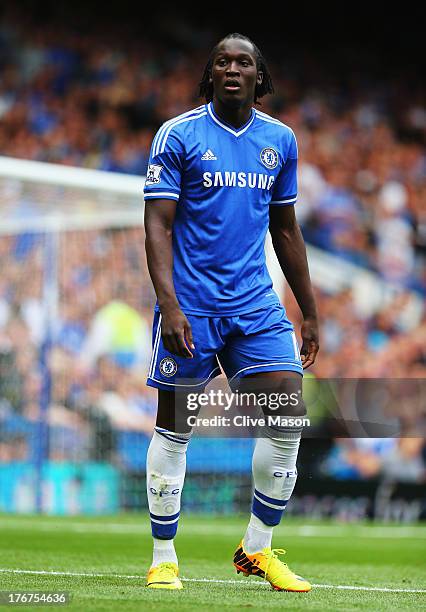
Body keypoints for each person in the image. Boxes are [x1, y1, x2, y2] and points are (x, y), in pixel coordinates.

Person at [143, 33, 319, 592]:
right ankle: (163, 556)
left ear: (259, 77)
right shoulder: (179, 135)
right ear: (211, 74)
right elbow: (158, 225)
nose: (233, 69)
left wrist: (309, 312)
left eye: (244, 62)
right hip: (191, 307)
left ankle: (256, 549)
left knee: (286, 419)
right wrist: (169, 304)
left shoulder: (279, 141)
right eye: (223, 61)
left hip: (255, 307)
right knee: (175, 430)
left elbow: (286, 229)